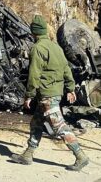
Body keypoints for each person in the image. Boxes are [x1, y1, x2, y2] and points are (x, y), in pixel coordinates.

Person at [10, 15, 89, 171]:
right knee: (36, 123)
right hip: (55, 93)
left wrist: (29, 95)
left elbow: (34, 75)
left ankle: (81, 156)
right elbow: (66, 69)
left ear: (34, 33)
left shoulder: (37, 48)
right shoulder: (56, 47)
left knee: (59, 126)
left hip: (47, 95)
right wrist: (71, 88)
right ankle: (28, 154)